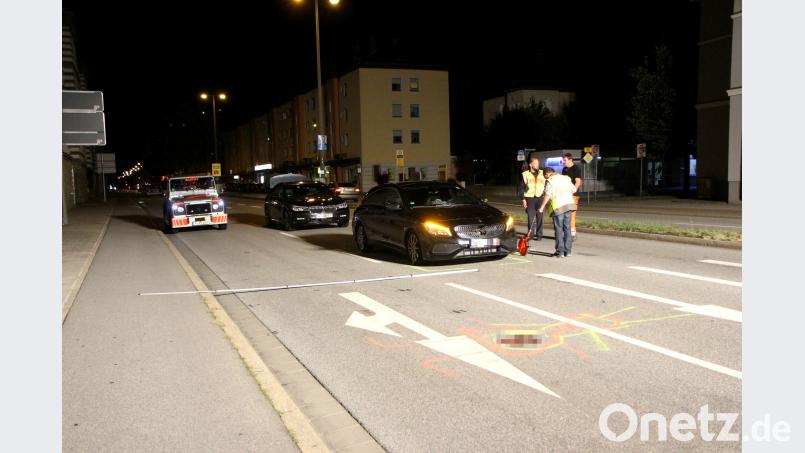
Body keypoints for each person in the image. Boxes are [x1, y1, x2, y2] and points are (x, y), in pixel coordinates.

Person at [538, 167, 577, 258]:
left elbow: (548, 195)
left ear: (547, 174)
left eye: (545, 176)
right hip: (569, 205)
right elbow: (574, 189)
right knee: (567, 229)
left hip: (558, 207)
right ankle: (568, 251)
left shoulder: (550, 180)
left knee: (559, 230)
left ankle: (560, 252)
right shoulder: (566, 178)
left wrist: (542, 207)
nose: (546, 178)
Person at [518, 155, 546, 241]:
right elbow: (521, 188)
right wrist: (523, 199)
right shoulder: (525, 174)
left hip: (540, 198)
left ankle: (539, 235)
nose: (537, 165)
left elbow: (548, 183)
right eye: (535, 163)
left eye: (538, 163)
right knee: (531, 218)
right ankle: (530, 234)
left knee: (540, 217)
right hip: (530, 199)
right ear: (531, 165)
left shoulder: (543, 173)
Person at [561, 153, 582, 241]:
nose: (563, 162)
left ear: (570, 160)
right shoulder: (564, 169)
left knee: (572, 215)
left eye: (565, 160)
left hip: (573, 196)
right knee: (564, 214)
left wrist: (573, 190)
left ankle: (573, 234)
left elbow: (578, 181)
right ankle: (566, 233)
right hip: (564, 195)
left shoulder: (576, 168)